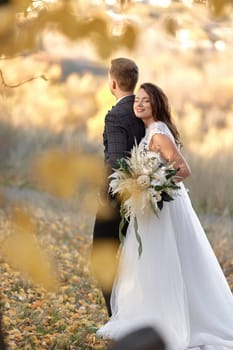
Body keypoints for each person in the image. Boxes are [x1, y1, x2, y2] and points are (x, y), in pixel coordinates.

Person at [97, 83, 233, 350]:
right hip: (150, 205)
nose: (139, 104)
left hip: (164, 205)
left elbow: (184, 169)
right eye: (138, 100)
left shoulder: (158, 132)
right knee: (152, 259)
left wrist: (155, 185)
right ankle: (148, 314)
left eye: (146, 101)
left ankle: (170, 318)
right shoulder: (149, 131)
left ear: (156, 104)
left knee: (165, 258)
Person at [91, 58, 145, 317]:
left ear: (113, 82)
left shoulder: (116, 116)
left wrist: (105, 197)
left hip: (117, 201)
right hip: (144, 197)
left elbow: (115, 161)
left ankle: (117, 316)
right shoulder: (144, 110)